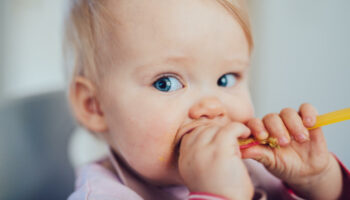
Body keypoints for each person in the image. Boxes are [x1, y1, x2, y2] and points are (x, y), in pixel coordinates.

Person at [64, 0, 349, 199]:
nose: (212, 107)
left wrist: (318, 182)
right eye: (166, 83)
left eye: (226, 79)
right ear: (95, 105)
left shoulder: (253, 169)